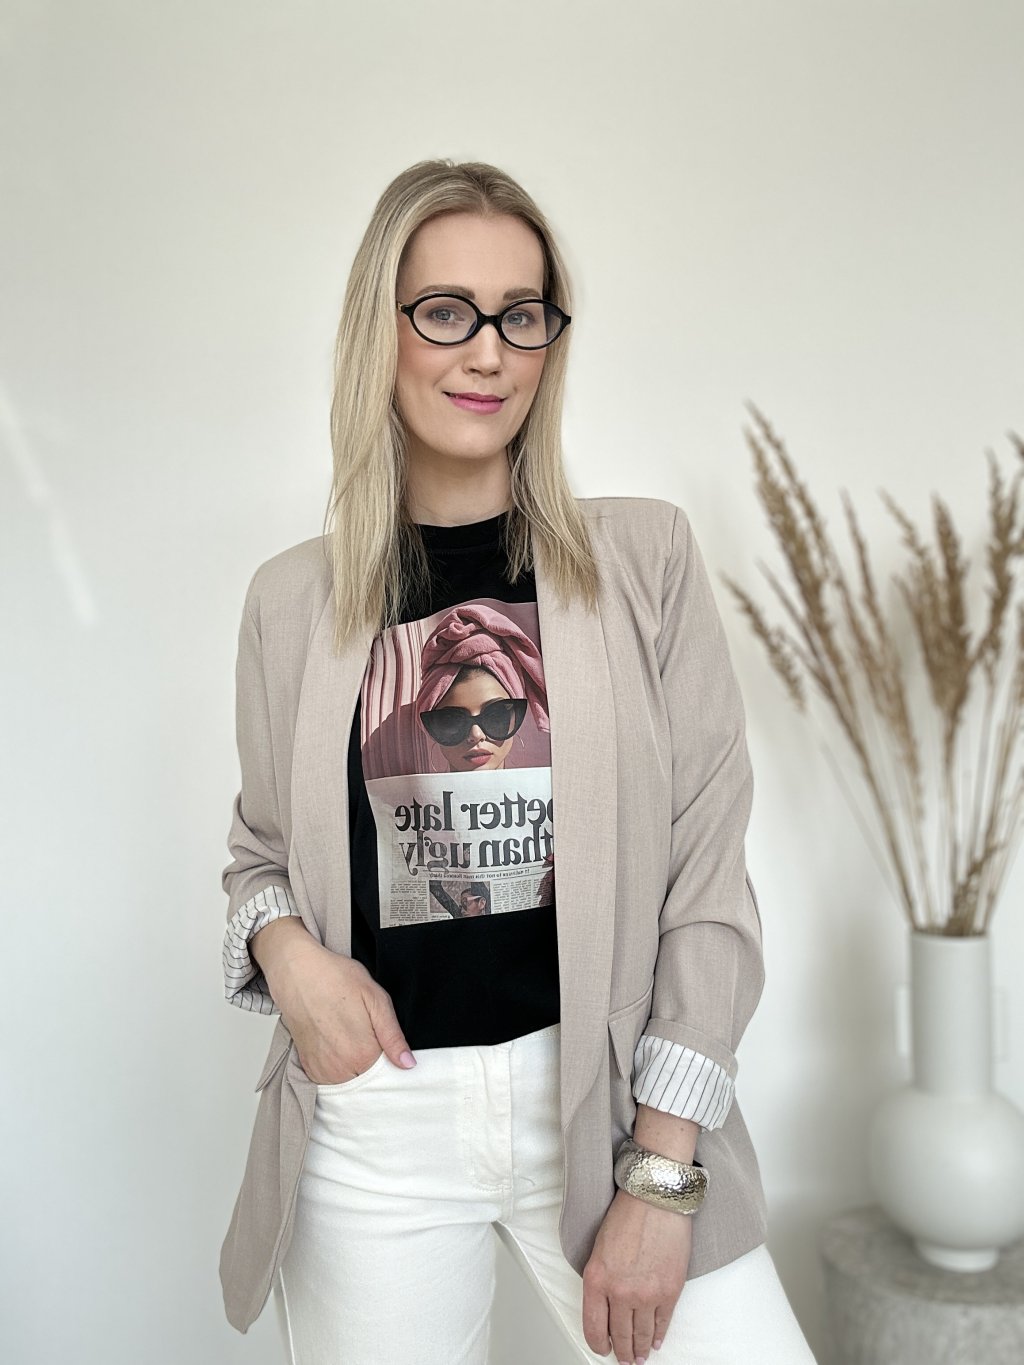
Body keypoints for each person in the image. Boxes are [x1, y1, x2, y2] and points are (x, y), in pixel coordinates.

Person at [219, 159, 817, 1365]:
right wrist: (287, 955)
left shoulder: (644, 560)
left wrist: (662, 1170)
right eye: (445, 312)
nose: (487, 352)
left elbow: (706, 875)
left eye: (521, 315)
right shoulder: (291, 602)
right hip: (374, 1126)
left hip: (606, 1110)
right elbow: (259, 858)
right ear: (379, 332)